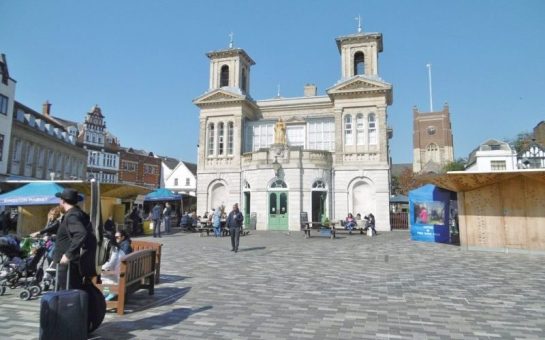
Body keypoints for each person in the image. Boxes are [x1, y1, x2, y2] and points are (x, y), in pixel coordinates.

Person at [52, 188, 93, 290]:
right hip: (71, 263)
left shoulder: (72, 216)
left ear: (63, 201)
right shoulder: (77, 213)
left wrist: (68, 254)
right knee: (69, 291)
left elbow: (80, 233)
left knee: (68, 292)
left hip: (69, 264)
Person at [101, 230, 133, 298]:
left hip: (115, 279)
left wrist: (99, 268)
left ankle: (109, 294)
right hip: (117, 276)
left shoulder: (114, 250)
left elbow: (109, 265)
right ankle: (106, 295)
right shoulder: (118, 248)